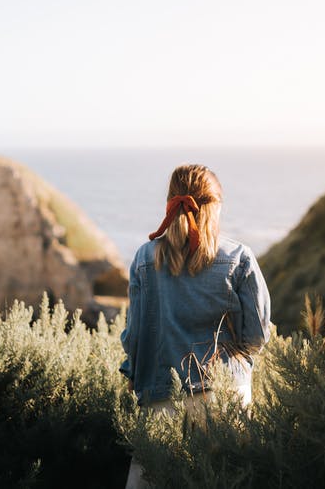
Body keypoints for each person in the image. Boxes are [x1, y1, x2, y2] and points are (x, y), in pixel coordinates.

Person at [120, 164, 271, 488]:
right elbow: (257, 336)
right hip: (224, 395)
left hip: (161, 395)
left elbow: (134, 337)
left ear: (170, 203)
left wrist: (133, 372)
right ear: (215, 205)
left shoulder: (145, 258)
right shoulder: (239, 257)